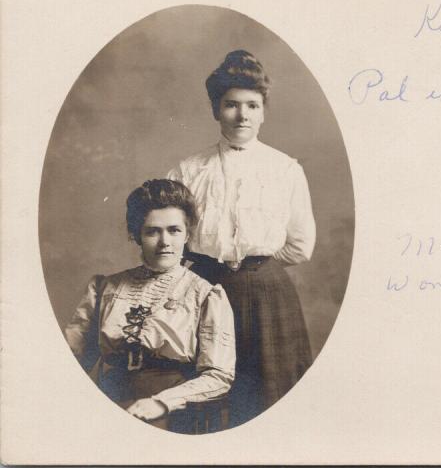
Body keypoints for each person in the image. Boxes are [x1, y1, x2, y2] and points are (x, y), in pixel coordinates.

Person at [168, 50, 315, 426]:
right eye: (231, 104)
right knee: (204, 397)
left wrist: (254, 266)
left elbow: (300, 245)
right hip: (203, 290)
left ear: (264, 110)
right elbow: (172, 238)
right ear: (216, 110)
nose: (242, 115)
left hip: (266, 295)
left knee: (268, 399)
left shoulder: (285, 169)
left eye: (252, 105)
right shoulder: (188, 170)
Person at [63, 179, 236, 433]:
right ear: (136, 235)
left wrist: (162, 403)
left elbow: (218, 376)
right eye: (152, 231)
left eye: (174, 230)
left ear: (187, 234)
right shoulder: (105, 288)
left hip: (171, 413)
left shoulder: (206, 295)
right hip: (108, 401)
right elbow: (72, 358)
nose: (165, 241)